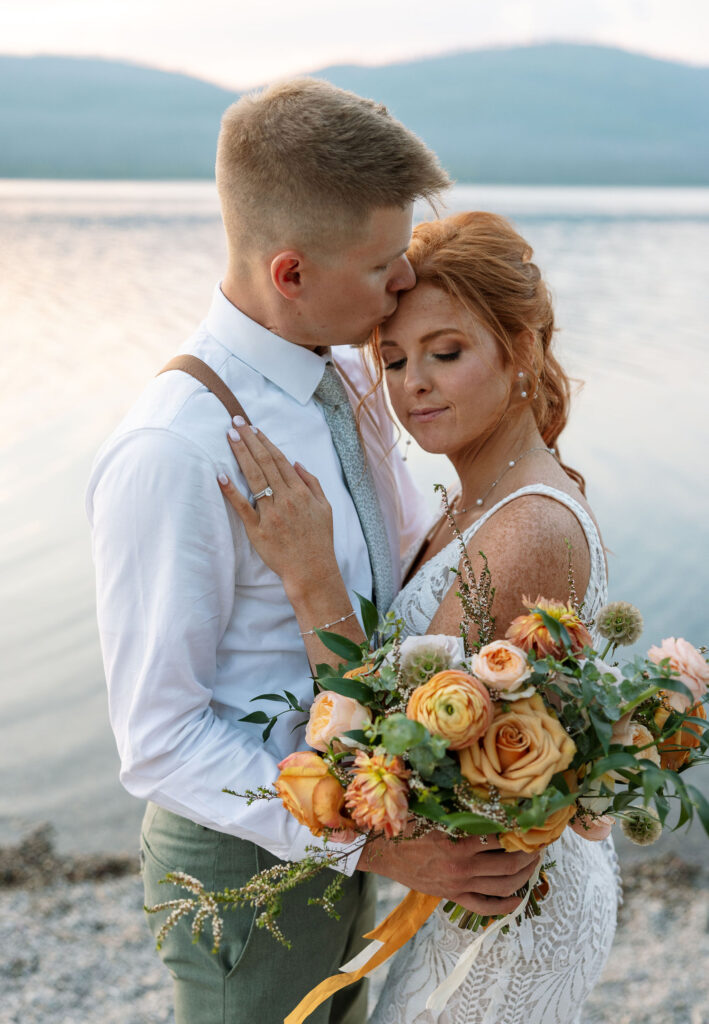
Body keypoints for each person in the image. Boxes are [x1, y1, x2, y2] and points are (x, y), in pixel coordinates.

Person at [86, 83, 539, 1024]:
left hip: (355, 828)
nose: (404, 285)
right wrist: (369, 847)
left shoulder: (345, 385)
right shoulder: (176, 449)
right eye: (382, 266)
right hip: (244, 861)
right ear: (289, 274)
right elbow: (159, 740)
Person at [218, 211, 620, 1024]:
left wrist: (310, 575)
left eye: (446, 352)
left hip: (505, 916)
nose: (413, 385)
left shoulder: (529, 526)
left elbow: (397, 748)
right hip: (478, 890)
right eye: (394, 360)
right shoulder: (476, 496)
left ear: (521, 352)